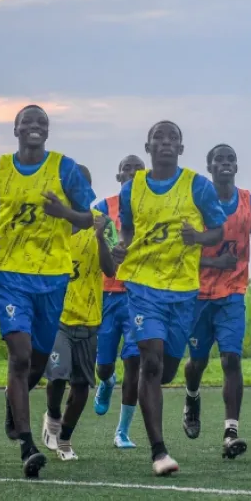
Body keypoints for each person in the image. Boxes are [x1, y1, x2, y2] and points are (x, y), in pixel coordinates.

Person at [0, 105, 95, 478]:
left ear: (48, 131)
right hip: (11, 275)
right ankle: (28, 446)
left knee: (39, 361)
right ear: (15, 128)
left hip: (53, 277)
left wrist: (64, 212)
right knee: (20, 354)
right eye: (27, 121)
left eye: (41, 122)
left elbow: (88, 217)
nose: (34, 127)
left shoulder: (65, 168)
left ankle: (14, 404)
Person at [113, 121, 226, 476]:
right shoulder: (132, 188)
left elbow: (218, 231)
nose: (165, 142)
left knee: (167, 369)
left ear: (181, 147)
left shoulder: (198, 186)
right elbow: (128, 229)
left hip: (182, 289)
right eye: (158, 137)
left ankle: (168, 395)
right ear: (147, 146)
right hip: (143, 286)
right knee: (150, 360)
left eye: (172, 137)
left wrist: (198, 237)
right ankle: (159, 451)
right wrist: (122, 245)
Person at [183, 144, 251, 459]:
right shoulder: (197, 203)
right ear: (209, 166)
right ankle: (192, 397)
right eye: (219, 159)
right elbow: (184, 252)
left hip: (233, 293)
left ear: (236, 166)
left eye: (231, 159)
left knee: (231, 360)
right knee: (196, 363)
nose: (226, 163)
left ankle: (230, 431)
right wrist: (214, 264)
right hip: (198, 295)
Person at [42, 175, 118, 460]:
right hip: (58, 316)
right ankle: (51, 415)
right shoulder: (51, 222)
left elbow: (111, 270)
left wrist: (100, 239)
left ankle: (65, 439)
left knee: (82, 385)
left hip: (89, 316)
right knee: (58, 375)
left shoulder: (104, 223)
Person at [91, 155, 144, 449]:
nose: (133, 173)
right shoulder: (102, 208)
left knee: (134, 360)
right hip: (108, 295)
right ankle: (107, 382)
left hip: (139, 296)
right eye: (127, 168)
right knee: (104, 366)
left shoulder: (153, 208)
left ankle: (122, 432)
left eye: (139, 169)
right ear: (118, 175)